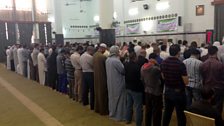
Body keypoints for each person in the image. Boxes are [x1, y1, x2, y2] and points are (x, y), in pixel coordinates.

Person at [161, 44, 189, 126]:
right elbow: (186, 82)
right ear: (178, 52)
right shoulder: (180, 64)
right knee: (180, 115)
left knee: (167, 113)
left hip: (168, 91)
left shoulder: (164, 62)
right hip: (178, 93)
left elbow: (163, 77)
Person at [200, 46, 224, 115]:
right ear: (216, 52)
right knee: (218, 107)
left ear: (208, 52)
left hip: (207, 89)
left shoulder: (203, 64)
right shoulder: (220, 64)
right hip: (218, 88)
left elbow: (203, 77)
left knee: (208, 107)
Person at [141, 53, 164, 126]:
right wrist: (157, 64)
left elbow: (142, 79)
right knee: (157, 111)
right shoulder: (155, 68)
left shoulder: (143, 67)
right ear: (154, 59)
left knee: (148, 110)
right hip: (156, 92)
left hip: (147, 90)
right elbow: (163, 76)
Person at [106, 45, 126, 121]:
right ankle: (119, 116)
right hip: (118, 83)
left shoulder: (107, 60)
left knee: (112, 98)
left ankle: (112, 113)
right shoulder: (116, 61)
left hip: (110, 82)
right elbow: (123, 70)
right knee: (120, 100)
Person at [124, 52, 143, 126]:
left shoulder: (125, 65)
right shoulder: (137, 67)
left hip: (128, 87)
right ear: (135, 57)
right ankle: (138, 123)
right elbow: (140, 78)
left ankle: (127, 120)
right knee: (138, 107)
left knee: (129, 105)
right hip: (136, 89)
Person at [93, 43, 109, 115]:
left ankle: (97, 108)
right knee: (103, 94)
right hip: (102, 77)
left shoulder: (94, 55)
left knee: (97, 93)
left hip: (96, 77)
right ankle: (103, 110)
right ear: (102, 48)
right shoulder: (102, 57)